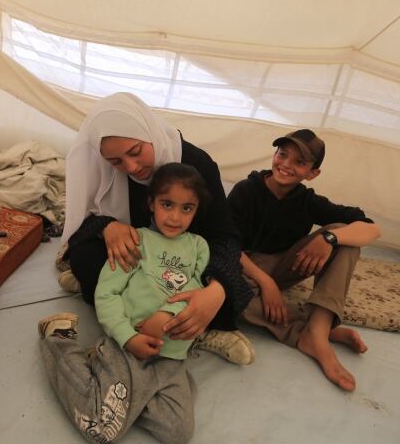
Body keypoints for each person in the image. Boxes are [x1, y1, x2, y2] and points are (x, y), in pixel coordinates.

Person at [58, 92, 255, 365]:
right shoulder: (108, 170)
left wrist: (216, 290)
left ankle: (197, 329)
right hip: (137, 262)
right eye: (116, 162)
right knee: (85, 259)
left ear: (149, 131)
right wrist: (107, 226)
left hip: (181, 262)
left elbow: (225, 236)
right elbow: (82, 223)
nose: (131, 167)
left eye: (136, 152)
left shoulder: (197, 165)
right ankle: (151, 327)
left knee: (226, 293)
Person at [40, 163, 213, 443]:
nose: (175, 217)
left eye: (186, 208)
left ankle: (109, 387)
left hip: (172, 358)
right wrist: (128, 337)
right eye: (167, 204)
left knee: (178, 434)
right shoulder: (136, 241)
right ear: (151, 203)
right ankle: (57, 339)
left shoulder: (198, 247)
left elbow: (196, 291)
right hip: (128, 349)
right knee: (100, 429)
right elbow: (107, 294)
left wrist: (167, 314)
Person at [227, 129, 381, 391]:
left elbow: (372, 229)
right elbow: (227, 246)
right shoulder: (246, 191)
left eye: (299, 162)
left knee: (345, 232)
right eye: (283, 154)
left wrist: (330, 238)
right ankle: (308, 333)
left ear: (312, 173)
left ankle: (318, 329)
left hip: (282, 266)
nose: (285, 165)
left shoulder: (307, 201)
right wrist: (267, 284)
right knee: (225, 298)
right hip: (242, 267)